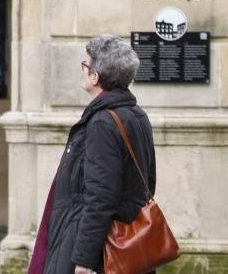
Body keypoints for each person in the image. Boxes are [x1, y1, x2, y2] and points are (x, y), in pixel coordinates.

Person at [28, 35, 158, 274]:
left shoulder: (102, 122)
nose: (83, 71)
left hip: (99, 251)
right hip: (126, 246)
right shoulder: (137, 115)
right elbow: (148, 182)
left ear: (95, 76)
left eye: (85, 66)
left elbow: (101, 197)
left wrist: (84, 261)